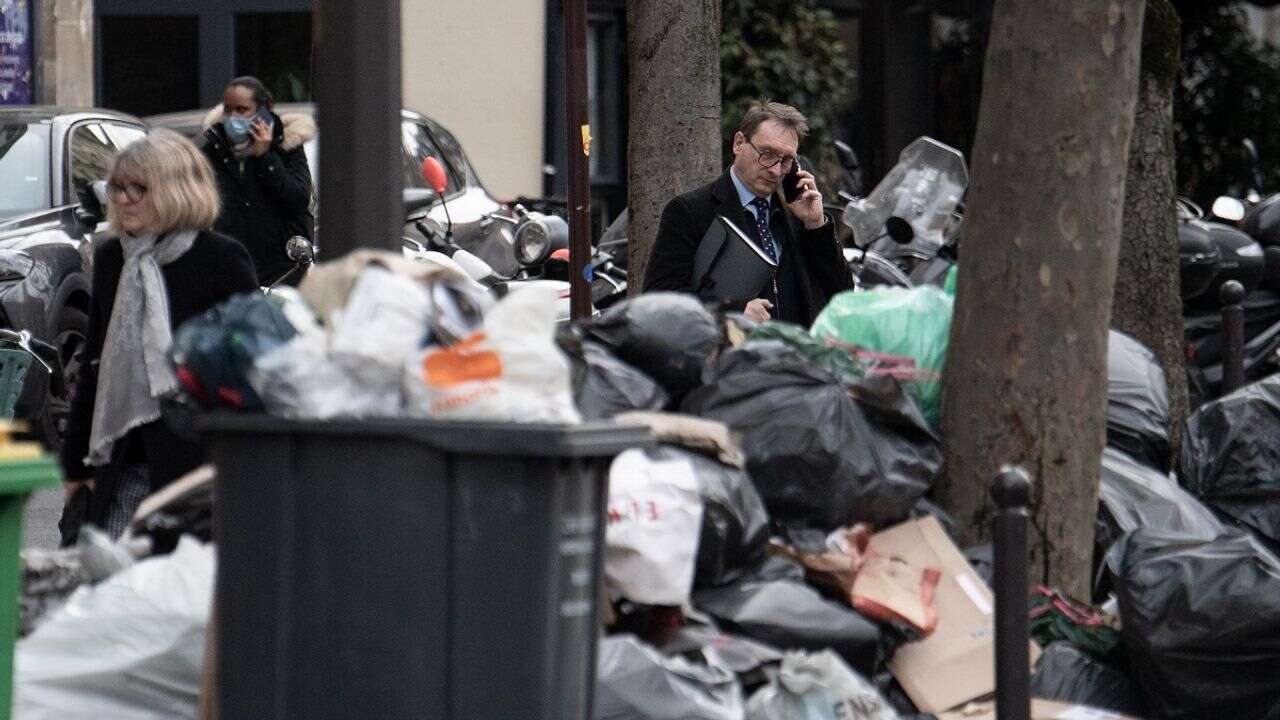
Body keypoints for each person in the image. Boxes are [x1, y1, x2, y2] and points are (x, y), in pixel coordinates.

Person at [59, 130, 260, 541]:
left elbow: (252, 366)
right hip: (121, 459)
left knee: (182, 592)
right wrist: (76, 467)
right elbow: (95, 366)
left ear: (176, 191)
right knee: (109, 585)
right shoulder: (113, 256)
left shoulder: (220, 259)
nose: (124, 199)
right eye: (117, 189)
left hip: (198, 462)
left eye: (139, 189)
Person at [642, 101, 851, 325]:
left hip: (791, 353)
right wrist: (733, 311)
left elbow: (842, 294)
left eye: (787, 160)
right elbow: (659, 298)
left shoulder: (797, 215)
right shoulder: (690, 210)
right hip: (731, 354)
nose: (775, 170)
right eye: (767, 153)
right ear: (739, 143)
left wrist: (816, 225)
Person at [202, 76, 315, 286]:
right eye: (228, 110)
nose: (233, 117)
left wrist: (265, 156)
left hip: (280, 274)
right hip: (230, 271)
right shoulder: (212, 150)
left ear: (265, 109)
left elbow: (297, 200)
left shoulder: (288, 146)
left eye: (242, 110)